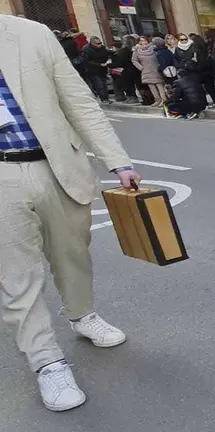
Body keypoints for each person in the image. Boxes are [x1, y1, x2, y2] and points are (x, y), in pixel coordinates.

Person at [0, 15, 141, 411]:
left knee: (73, 252)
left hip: (57, 163)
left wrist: (118, 161)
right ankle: (48, 362)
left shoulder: (31, 33)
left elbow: (78, 100)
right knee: (16, 275)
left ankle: (82, 314)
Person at [132, 36, 167, 107]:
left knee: (159, 84)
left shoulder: (154, 48)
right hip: (146, 70)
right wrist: (141, 68)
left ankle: (164, 100)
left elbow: (160, 56)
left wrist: (160, 66)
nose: (143, 42)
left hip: (156, 69)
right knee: (151, 86)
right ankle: (157, 100)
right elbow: (134, 60)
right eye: (141, 40)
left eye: (144, 40)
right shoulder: (137, 51)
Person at [81, 36, 112, 103]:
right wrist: (99, 64)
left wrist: (110, 54)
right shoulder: (86, 49)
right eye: (98, 43)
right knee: (99, 85)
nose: (100, 45)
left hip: (103, 68)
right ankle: (103, 99)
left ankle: (106, 98)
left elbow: (106, 54)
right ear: (92, 43)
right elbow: (87, 61)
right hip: (93, 70)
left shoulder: (102, 48)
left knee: (104, 84)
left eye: (100, 43)